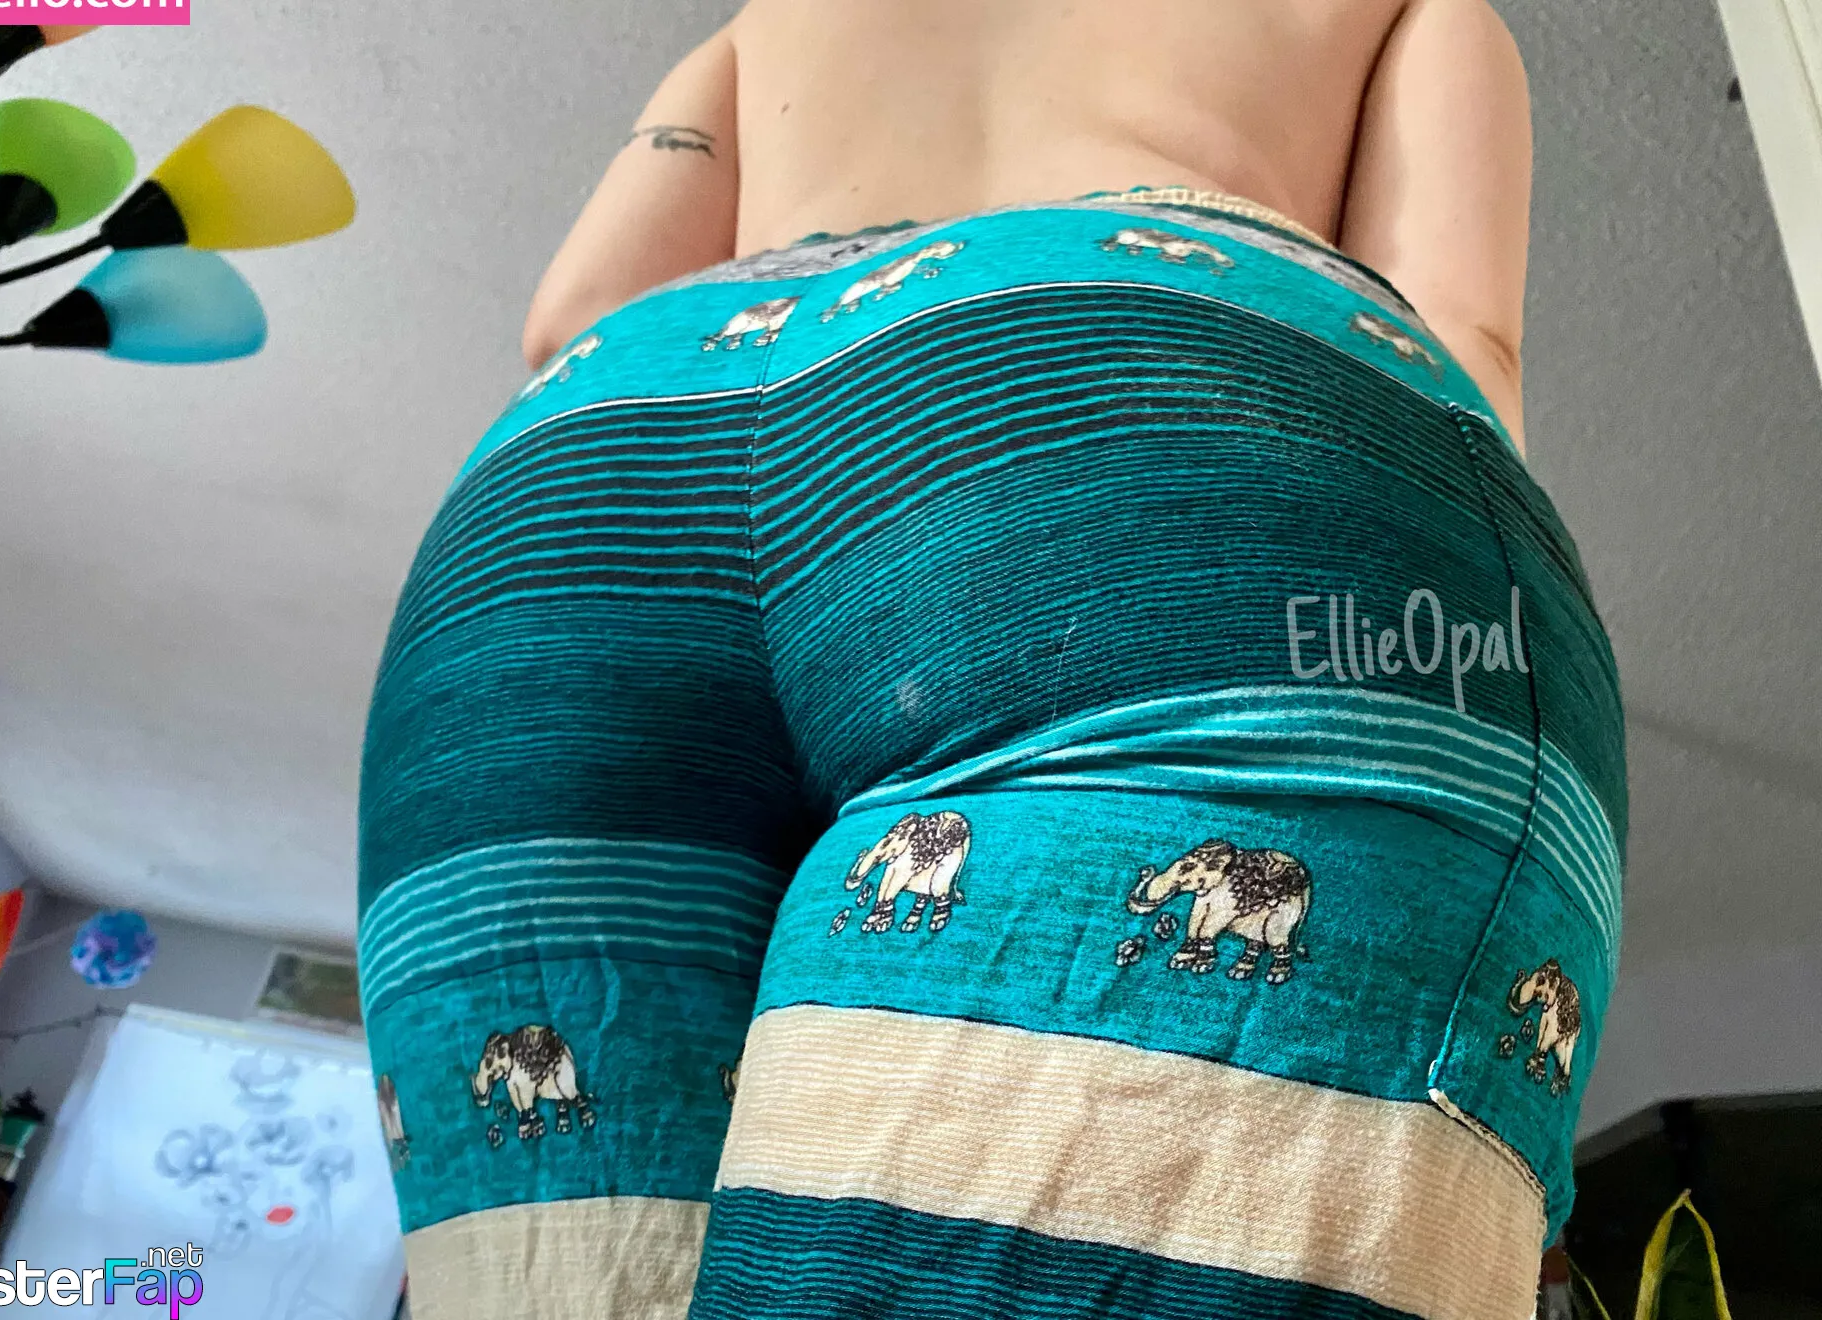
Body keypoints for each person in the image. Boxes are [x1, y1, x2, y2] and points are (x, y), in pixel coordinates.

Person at [357, 2, 1626, 1318]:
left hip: (585, 492)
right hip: (1121, 377)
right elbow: (1463, 346)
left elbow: (573, 314)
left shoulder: (754, 30)